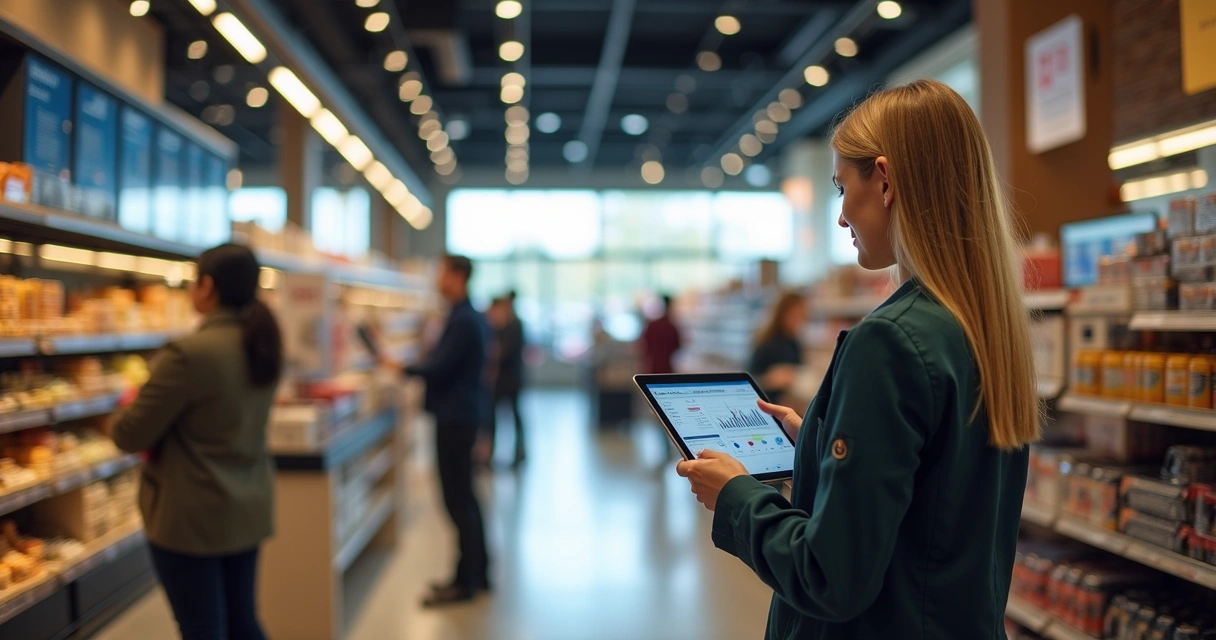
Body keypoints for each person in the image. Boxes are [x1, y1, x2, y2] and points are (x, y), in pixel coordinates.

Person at [676, 79, 1040, 639]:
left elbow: (831, 576)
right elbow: (933, 507)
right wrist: (820, 446)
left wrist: (737, 496)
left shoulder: (892, 341)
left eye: (842, 187)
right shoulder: (984, 329)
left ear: (886, 180)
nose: (842, 217)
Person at [110, 243, 283, 640]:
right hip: (247, 505)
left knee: (202, 629)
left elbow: (129, 434)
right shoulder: (263, 344)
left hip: (191, 516)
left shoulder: (188, 354)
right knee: (243, 621)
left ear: (207, 286)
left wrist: (126, 404)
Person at [390, 254, 491, 606]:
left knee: (458, 500)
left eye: (441, 272)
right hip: (461, 416)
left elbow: (440, 368)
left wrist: (402, 367)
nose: (437, 279)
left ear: (458, 276)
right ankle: (478, 573)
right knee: (467, 498)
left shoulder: (463, 320)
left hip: (455, 419)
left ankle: (466, 582)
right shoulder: (467, 316)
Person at [487, 291, 527, 468]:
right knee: (494, 416)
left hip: (511, 379)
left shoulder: (515, 325)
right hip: (501, 380)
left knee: (514, 415)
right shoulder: (502, 325)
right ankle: (490, 452)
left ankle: (520, 451)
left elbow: (503, 352)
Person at [748, 291, 808, 403]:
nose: (800, 320)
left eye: (802, 315)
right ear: (782, 313)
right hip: (768, 403)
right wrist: (770, 379)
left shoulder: (794, 342)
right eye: (796, 314)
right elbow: (750, 379)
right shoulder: (766, 342)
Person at [639, 294, 681, 374]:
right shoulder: (671, 327)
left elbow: (643, 347)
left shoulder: (652, 326)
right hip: (667, 369)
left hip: (651, 368)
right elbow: (677, 346)